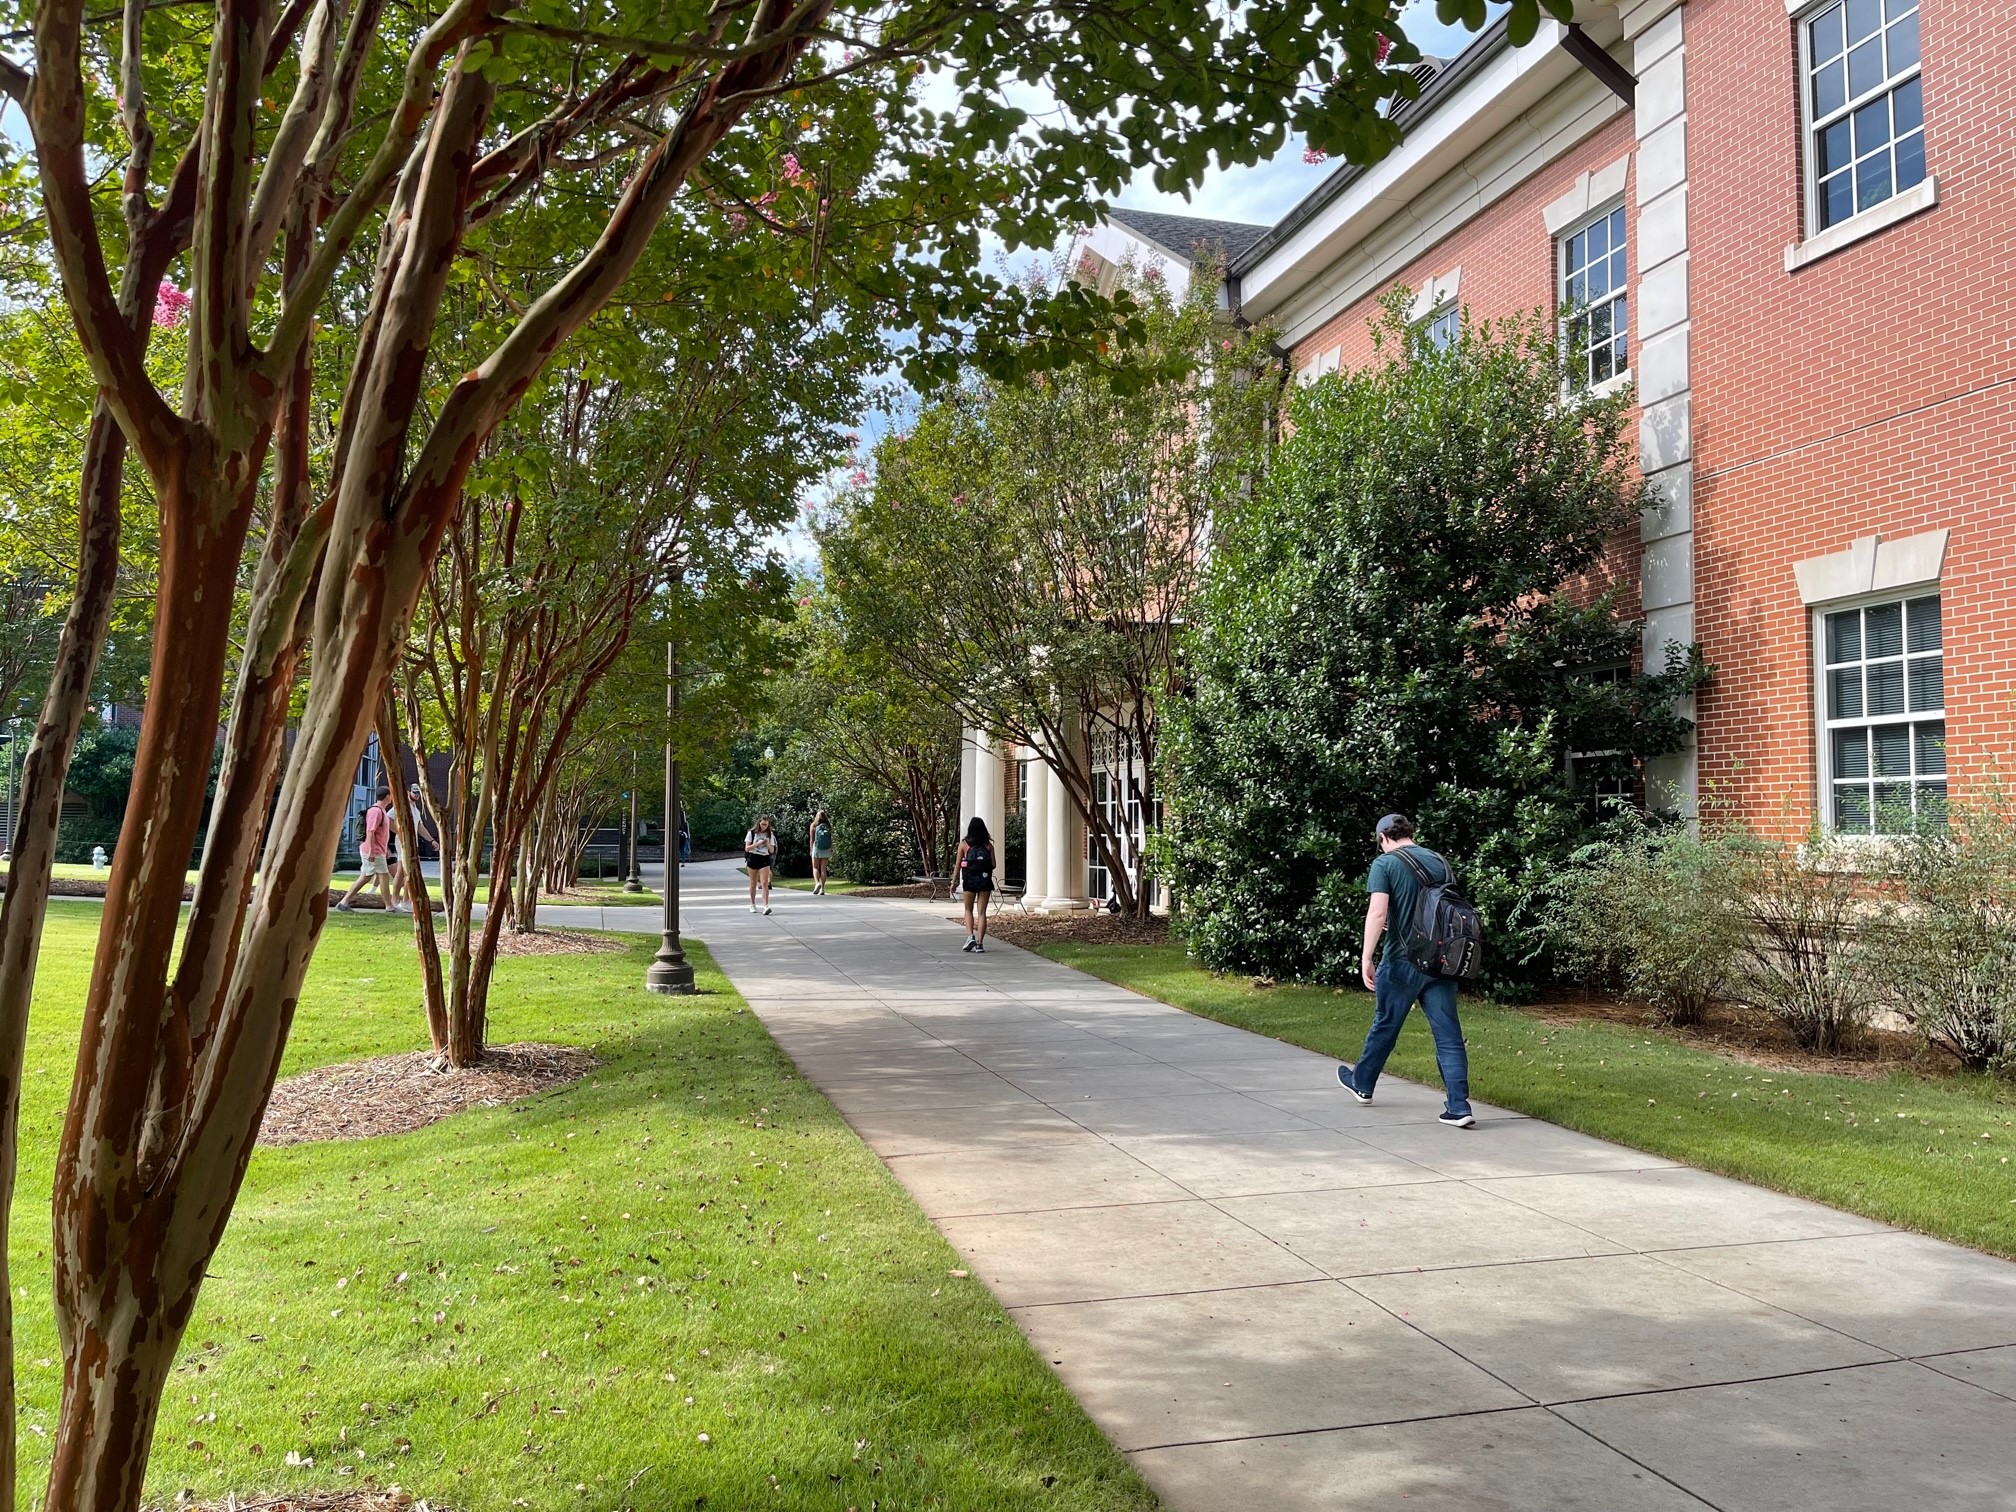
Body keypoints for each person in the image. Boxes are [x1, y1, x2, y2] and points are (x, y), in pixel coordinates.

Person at [1337, 813, 1476, 1129]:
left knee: (1386, 1023)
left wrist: (1366, 958)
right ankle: (1458, 1107)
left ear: (1384, 837)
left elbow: (1377, 913)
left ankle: (1362, 1083)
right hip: (1441, 961)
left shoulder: (1385, 865)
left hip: (1401, 960)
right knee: (1448, 1033)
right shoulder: (1439, 861)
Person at [335, 789, 397, 913]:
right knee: (383, 876)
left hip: (378, 850)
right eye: (391, 795)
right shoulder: (376, 811)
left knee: (366, 877)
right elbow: (370, 831)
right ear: (386, 796)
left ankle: (343, 902)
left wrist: (384, 850)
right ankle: (389, 907)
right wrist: (371, 851)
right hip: (373, 850)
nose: (391, 798)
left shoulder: (381, 811)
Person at [387, 783, 439, 912]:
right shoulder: (401, 807)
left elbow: (420, 827)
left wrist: (431, 840)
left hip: (413, 843)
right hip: (403, 843)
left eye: (418, 793)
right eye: (414, 792)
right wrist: (399, 832)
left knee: (406, 871)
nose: (416, 795)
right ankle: (398, 900)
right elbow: (388, 819)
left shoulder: (415, 809)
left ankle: (403, 900)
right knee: (404, 871)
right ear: (408, 792)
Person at [955, 816, 997, 953]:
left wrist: (953, 882)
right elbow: (993, 865)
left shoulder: (964, 844)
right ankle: (980, 944)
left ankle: (970, 936)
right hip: (985, 881)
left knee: (968, 910)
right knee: (982, 912)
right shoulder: (988, 845)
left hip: (969, 880)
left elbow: (957, 865)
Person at [743, 815, 778, 914]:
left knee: (764, 883)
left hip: (764, 858)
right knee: (753, 883)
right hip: (753, 857)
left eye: (766, 825)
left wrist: (767, 843)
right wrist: (758, 844)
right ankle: (752, 904)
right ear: (759, 823)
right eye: (762, 824)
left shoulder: (770, 835)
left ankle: (766, 906)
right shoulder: (752, 833)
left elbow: (772, 850)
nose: (764, 826)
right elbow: (747, 848)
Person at [807, 809, 834, 895]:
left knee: (815, 867)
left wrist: (811, 849)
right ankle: (822, 889)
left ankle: (817, 883)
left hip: (817, 847)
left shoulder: (813, 825)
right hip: (826, 848)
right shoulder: (828, 826)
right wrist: (831, 849)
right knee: (823, 869)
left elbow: (812, 839)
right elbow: (830, 839)